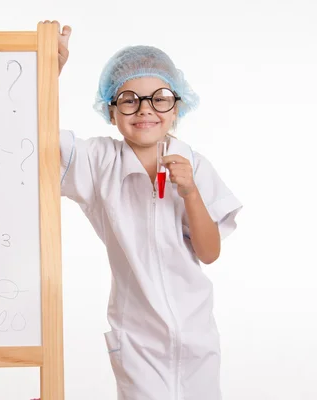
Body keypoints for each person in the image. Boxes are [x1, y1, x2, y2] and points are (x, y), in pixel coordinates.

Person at [47, 21, 243, 400]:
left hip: (196, 334)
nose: (145, 110)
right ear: (111, 110)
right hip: (137, 340)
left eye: (160, 98)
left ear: (176, 107)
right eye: (129, 99)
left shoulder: (194, 164)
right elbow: (36, 137)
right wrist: (50, 71)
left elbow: (209, 252)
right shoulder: (99, 161)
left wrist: (190, 193)